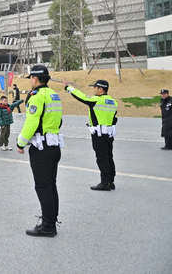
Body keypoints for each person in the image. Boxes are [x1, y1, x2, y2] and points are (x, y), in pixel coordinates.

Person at [16, 64, 63, 237]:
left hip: (41, 147)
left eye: (30, 78)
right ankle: (51, 220)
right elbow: (59, 121)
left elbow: (32, 121)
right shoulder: (54, 95)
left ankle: (48, 226)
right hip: (53, 145)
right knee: (50, 185)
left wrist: (20, 143)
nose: (30, 81)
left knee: (42, 186)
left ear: (34, 79)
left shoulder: (36, 96)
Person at [64, 78, 118, 190]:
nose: (94, 89)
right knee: (109, 157)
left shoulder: (96, 100)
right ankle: (111, 181)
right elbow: (114, 118)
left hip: (99, 135)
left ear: (101, 89)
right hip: (109, 134)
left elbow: (81, 96)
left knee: (102, 158)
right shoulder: (113, 102)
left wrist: (67, 88)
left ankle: (105, 183)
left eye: (95, 87)